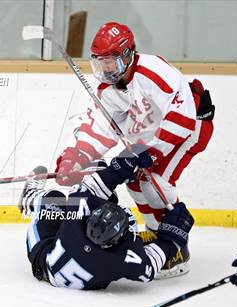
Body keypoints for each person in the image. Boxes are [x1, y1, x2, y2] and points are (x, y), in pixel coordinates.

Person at [55, 22, 215, 277]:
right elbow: (101, 125)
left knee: (154, 181)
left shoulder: (154, 72)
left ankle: (177, 247)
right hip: (154, 133)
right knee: (134, 180)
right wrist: (78, 157)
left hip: (190, 126)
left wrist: (151, 154)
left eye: (111, 61)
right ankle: (156, 230)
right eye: (100, 62)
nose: (105, 68)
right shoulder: (108, 88)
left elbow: (181, 118)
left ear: (128, 54)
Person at [18, 145, 194, 290]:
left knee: (53, 199)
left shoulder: (77, 218)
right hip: (64, 253)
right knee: (110, 201)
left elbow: (92, 187)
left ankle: (30, 197)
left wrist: (120, 167)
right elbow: (149, 267)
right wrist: (173, 237)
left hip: (43, 255)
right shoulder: (120, 260)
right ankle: (30, 199)